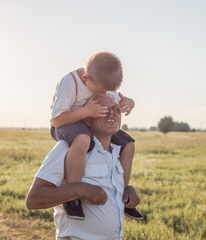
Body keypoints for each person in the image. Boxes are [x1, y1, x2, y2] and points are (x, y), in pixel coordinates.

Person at [26, 93, 141, 240]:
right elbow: (34, 199)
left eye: (116, 109)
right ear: (87, 119)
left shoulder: (119, 151)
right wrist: (81, 190)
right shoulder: (68, 147)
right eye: (104, 109)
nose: (112, 113)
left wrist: (127, 191)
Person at [50, 51, 142, 220]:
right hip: (66, 122)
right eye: (101, 90)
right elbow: (57, 120)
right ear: (86, 78)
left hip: (90, 120)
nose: (105, 93)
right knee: (82, 139)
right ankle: (73, 196)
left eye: (109, 90)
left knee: (129, 144)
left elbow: (123, 99)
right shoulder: (70, 83)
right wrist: (86, 111)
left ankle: (122, 194)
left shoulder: (103, 82)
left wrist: (130, 103)